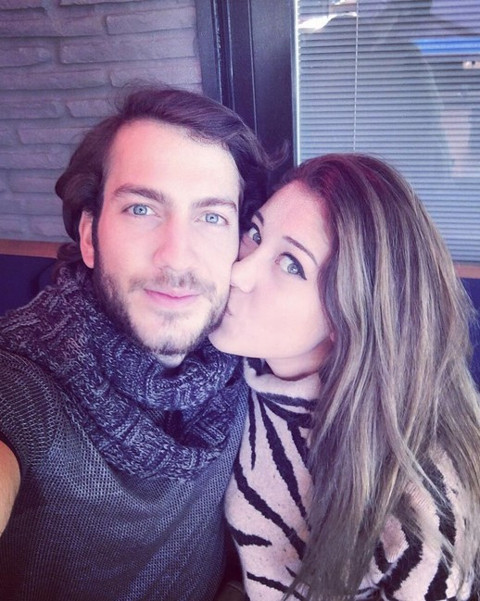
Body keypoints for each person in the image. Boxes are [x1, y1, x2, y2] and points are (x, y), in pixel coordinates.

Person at [0, 85, 272, 601]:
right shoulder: (29, 371)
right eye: (141, 209)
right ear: (89, 237)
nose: (177, 257)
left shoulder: (245, 352)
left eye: (212, 217)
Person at [209, 153, 480, 601]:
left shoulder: (413, 505)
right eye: (254, 234)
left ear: (348, 312)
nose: (239, 272)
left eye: (291, 264)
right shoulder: (238, 371)